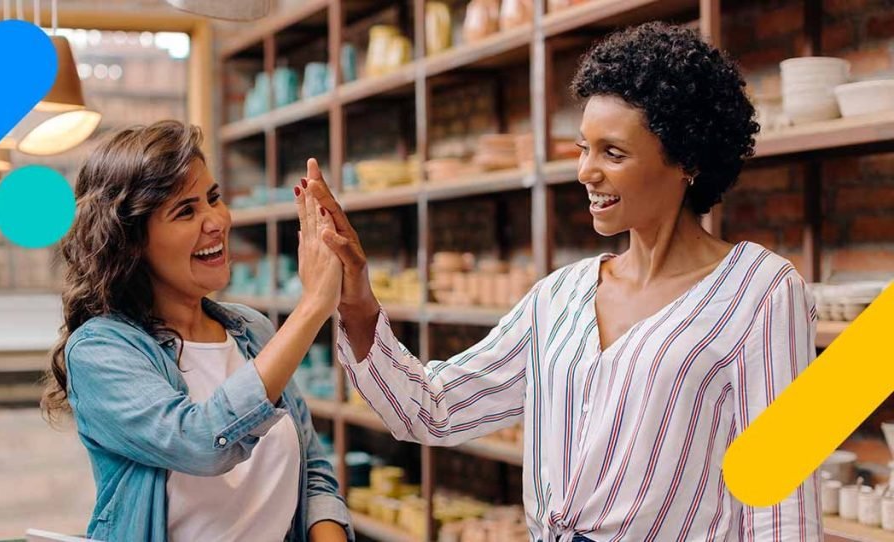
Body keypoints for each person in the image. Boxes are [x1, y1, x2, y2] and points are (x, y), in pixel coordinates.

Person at [307, 22, 821, 541]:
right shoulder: (560, 296)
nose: (585, 172)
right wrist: (356, 297)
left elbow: (782, 509)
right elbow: (434, 410)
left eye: (612, 153)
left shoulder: (762, 292)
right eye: (583, 148)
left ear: (687, 159)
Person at [41, 120, 352, 542]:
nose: (216, 221)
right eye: (185, 211)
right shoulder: (100, 351)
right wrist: (314, 306)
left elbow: (312, 469)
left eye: (213, 198)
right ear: (131, 241)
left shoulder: (253, 331)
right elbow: (203, 442)